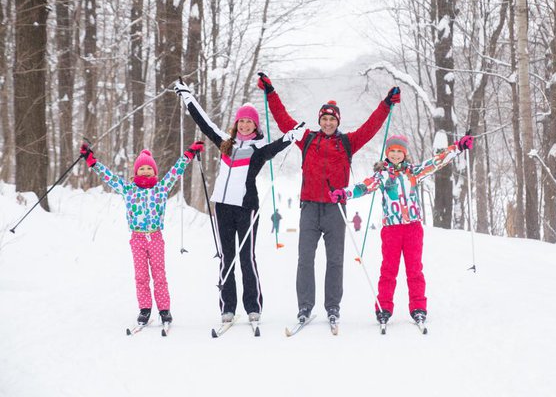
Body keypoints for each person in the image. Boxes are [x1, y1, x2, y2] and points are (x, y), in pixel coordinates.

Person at [257, 72, 399, 324]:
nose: (327, 122)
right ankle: (305, 307)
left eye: (331, 119)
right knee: (305, 259)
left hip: (336, 210)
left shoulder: (347, 142)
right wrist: (270, 92)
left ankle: (333, 306)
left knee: (335, 261)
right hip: (310, 207)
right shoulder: (308, 138)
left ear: (337, 121)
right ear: (319, 120)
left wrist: (386, 104)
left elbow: (370, 126)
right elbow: (283, 121)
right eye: (324, 118)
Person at [174, 79, 305, 325]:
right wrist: (188, 97)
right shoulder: (226, 143)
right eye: (241, 121)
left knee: (246, 258)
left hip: (247, 208)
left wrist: (293, 135)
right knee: (226, 258)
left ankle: (253, 306)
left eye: (249, 121)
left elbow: (277, 146)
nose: (245, 125)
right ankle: (228, 307)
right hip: (222, 207)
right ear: (237, 123)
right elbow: (205, 123)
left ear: (255, 125)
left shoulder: (259, 148)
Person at [329, 134, 473, 325]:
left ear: (404, 153)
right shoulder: (382, 175)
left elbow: (436, 162)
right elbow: (364, 186)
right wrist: (344, 193)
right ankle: (384, 308)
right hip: (392, 230)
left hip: (413, 228)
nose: (396, 155)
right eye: (392, 151)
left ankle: (418, 308)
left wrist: (458, 147)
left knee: (415, 270)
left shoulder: (414, 172)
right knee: (388, 270)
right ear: (387, 153)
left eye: (399, 151)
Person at [79, 140, 205, 326]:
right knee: (141, 276)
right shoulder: (128, 189)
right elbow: (110, 178)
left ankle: (164, 310)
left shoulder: (161, 188)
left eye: (149, 168)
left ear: (154, 172)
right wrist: (92, 162)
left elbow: (175, 172)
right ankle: (145, 309)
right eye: (141, 168)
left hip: (155, 237)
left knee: (159, 275)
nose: (145, 171)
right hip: (137, 238)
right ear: (135, 172)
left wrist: (189, 154)